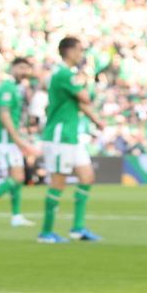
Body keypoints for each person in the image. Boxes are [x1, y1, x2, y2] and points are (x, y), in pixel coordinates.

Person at [38, 37, 107, 244]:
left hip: (72, 135)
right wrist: (87, 77)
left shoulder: (68, 75)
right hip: (60, 135)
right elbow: (85, 98)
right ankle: (46, 232)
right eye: (79, 50)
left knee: (87, 177)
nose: (81, 54)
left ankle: (78, 228)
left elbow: (81, 102)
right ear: (68, 51)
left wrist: (97, 120)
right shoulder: (64, 74)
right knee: (58, 182)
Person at [0, 58, 38, 227]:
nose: (25, 71)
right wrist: (17, 139)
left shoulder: (17, 88)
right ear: (12, 68)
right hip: (6, 139)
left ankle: (16, 216)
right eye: (21, 67)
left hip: (10, 138)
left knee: (15, 177)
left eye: (27, 68)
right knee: (18, 177)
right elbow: (4, 114)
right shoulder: (7, 87)